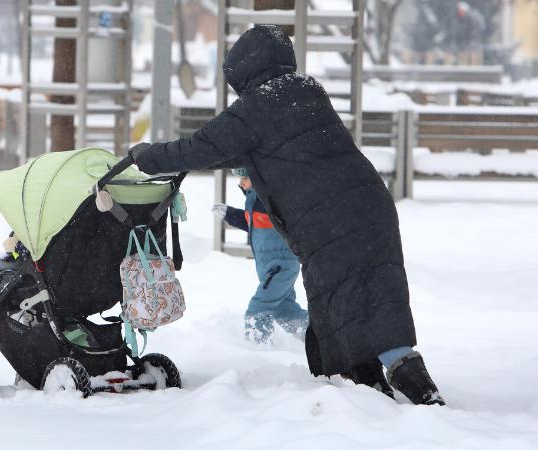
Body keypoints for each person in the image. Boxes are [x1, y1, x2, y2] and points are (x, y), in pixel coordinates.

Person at [129, 25, 444, 406]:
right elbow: (253, 148)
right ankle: (374, 391)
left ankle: (416, 394)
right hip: (369, 207)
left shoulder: (255, 108)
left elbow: (200, 147)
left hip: (329, 221)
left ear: (243, 68)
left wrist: (146, 156)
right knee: (373, 297)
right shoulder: (308, 91)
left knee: (346, 301)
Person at [213, 169, 307, 342]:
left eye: (244, 178)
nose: (240, 183)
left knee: (258, 309)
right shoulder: (254, 200)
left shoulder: (270, 199)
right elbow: (252, 223)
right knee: (285, 311)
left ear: (257, 177)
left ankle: (258, 347)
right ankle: (316, 335)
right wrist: (229, 213)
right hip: (270, 267)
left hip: (280, 267)